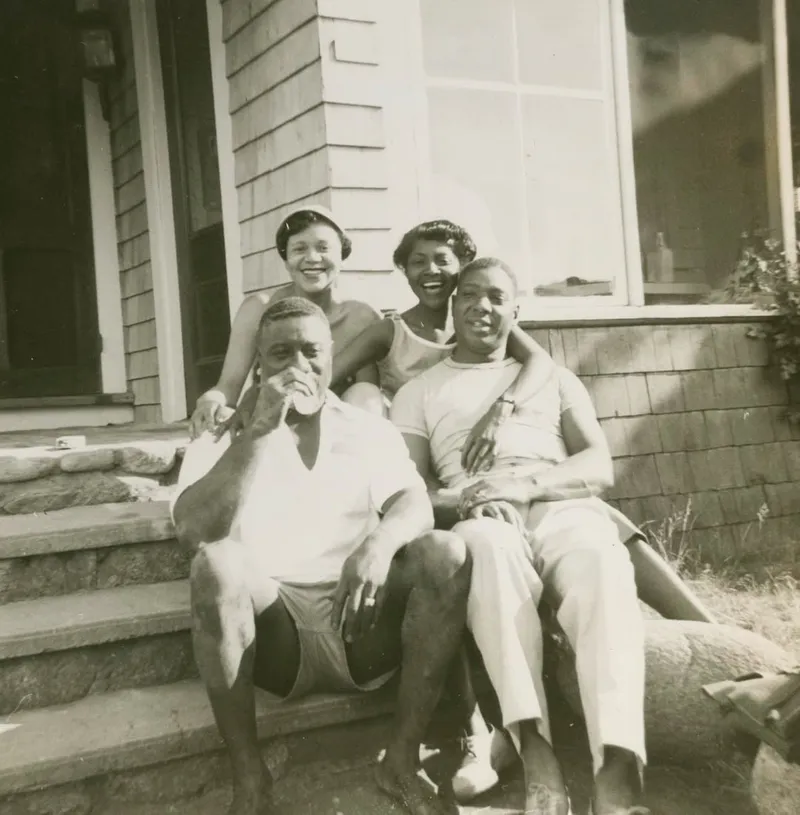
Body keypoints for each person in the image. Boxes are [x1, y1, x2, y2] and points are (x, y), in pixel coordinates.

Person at [172, 296, 471, 815]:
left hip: (359, 620)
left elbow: (412, 501)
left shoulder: (365, 426)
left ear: (332, 357)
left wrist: (377, 547)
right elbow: (195, 531)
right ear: (258, 363)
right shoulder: (224, 431)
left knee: (444, 551)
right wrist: (261, 430)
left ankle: (400, 760)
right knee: (215, 565)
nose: (298, 368)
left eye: (311, 352)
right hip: (274, 632)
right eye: (280, 354)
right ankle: (251, 782)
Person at [391, 257, 656, 815]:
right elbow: (412, 490)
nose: (480, 307)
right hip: (481, 512)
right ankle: (535, 750)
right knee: (485, 552)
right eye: (468, 295)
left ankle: (616, 765)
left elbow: (598, 465)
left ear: (516, 311)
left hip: (556, 502)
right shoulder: (419, 391)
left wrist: (523, 484)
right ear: (452, 304)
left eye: (495, 298)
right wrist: (475, 497)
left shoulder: (553, 378)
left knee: (604, 566)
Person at [189, 205, 381, 438]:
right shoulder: (260, 308)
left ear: (342, 255)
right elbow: (229, 384)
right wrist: (211, 400)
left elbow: (366, 393)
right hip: (273, 418)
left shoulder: (360, 316)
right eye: (299, 249)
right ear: (286, 259)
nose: (312, 258)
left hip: (336, 428)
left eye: (323, 248)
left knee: (366, 393)